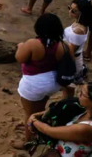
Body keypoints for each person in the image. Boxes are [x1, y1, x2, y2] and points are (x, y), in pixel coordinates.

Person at [14, 13, 73, 149]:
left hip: (34, 83)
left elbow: (20, 58)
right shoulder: (64, 45)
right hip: (53, 83)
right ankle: (39, 130)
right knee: (40, 109)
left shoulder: (33, 44)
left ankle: (28, 142)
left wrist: (21, 46)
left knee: (29, 113)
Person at [28, 81, 92, 156]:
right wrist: (38, 114)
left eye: (82, 94)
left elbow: (49, 131)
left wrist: (33, 120)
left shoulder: (85, 129)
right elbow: (58, 110)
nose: (78, 95)